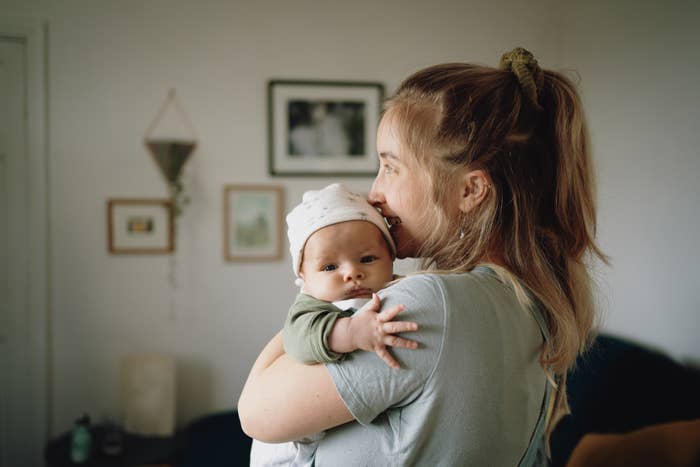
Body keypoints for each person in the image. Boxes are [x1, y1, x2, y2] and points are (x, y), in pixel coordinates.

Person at [238, 47, 607, 466]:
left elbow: (254, 412)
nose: (375, 192)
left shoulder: (431, 303)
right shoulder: (531, 305)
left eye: (390, 167)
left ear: (470, 190)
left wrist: (315, 295)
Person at [250, 183, 419, 467]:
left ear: (390, 258)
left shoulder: (400, 290)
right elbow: (300, 342)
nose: (352, 273)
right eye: (330, 267)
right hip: (290, 450)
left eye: (367, 259)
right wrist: (352, 332)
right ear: (304, 274)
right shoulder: (309, 307)